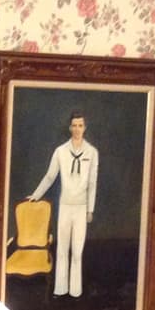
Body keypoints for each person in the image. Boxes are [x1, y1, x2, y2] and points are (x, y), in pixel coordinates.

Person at [27, 111, 98, 298]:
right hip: (65, 206)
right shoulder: (60, 151)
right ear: (69, 128)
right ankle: (60, 289)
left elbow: (92, 182)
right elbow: (50, 176)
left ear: (85, 128)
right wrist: (36, 195)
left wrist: (90, 209)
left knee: (77, 250)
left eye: (80, 125)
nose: (77, 129)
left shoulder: (92, 152)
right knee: (62, 248)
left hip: (81, 207)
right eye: (74, 125)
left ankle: (75, 291)